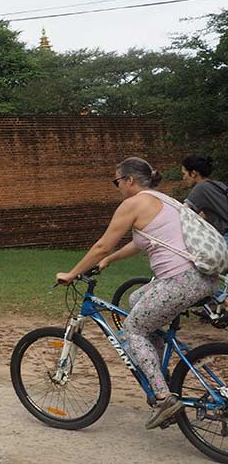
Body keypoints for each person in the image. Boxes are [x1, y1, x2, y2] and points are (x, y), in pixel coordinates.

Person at [55, 157, 220, 429]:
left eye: (117, 181)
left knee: (133, 330)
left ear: (129, 180)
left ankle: (163, 396)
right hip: (204, 278)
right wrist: (110, 260)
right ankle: (158, 369)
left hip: (181, 281)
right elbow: (140, 242)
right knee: (136, 299)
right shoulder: (162, 200)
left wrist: (72, 273)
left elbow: (101, 245)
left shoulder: (132, 203)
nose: (117, 186)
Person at [182, 155, 228, 237]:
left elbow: (183, 212)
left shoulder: (200, 188)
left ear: (193, 173)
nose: (183, 178)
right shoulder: (217, 185)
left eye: (184, 173)